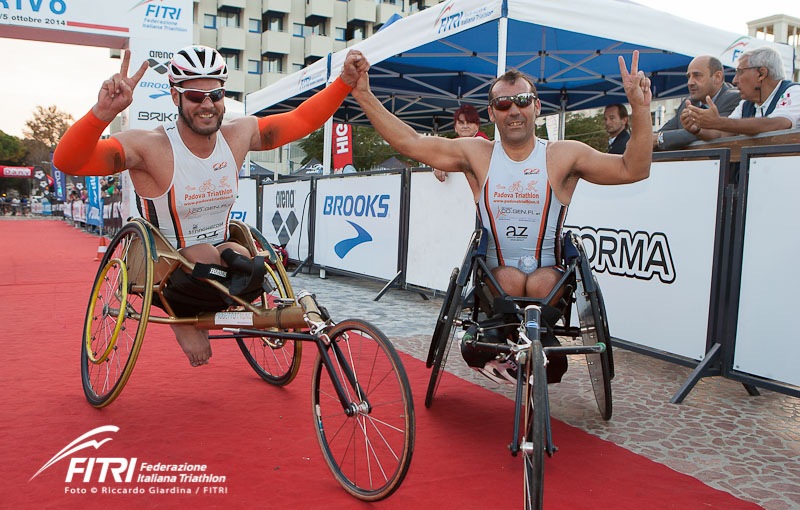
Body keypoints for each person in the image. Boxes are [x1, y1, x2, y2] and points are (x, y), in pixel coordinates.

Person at [54, 45, 367, 367]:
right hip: (165, 264)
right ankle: (187, 320)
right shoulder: (147, 146)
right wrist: (101, 115)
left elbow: (300, 119)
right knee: (206, 255)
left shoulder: (239, 134)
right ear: (175, 96)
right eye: (194, 96)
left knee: (247, 257)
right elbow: (68, 162)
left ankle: (233, 294)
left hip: (216, 252)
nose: (207, 105)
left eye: (215, 95)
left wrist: (343, 82)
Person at [352, 51, 652, 382]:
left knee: (539, 282)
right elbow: (410, 142)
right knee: (508, 279)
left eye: (522, 101)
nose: (514, 110)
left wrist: (639, 108)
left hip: (548, 278)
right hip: (496, 279)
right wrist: (363, 94)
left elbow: (632, 169)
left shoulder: (564, 154)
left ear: (536, 107)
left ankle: (538, 345)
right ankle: (505, 342)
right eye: (503, 104)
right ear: (492, 113)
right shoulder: (476, 154)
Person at [681, 47, 799, 139]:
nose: (734, 80)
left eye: (740, 72)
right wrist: (697, 129)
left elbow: (778, 124)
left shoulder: (794, 92)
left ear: (761, 73)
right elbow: (723, 134)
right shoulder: (745, 104)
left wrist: (718, 122)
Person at [653, 55, 740, 151]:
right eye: (688, 77)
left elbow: (713, 132)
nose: (690, 82)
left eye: (697, 76)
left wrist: (659, 138)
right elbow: (661, 134)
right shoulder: (688, 103)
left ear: (717, 77)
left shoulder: (734, 98)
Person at [433, 103, 489, 181]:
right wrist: (439, 165)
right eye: (461, 123)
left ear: (477, 126)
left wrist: (445, 164)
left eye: (469, 122)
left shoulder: (482, 141)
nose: (465, 126)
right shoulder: (454, 143)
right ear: (455, 127)